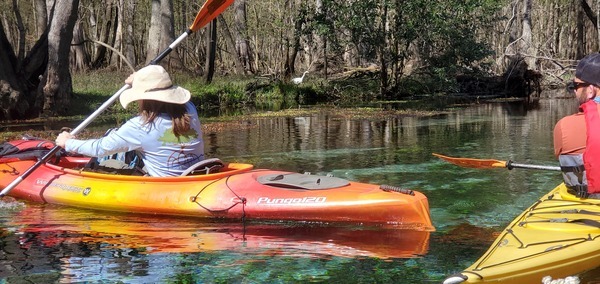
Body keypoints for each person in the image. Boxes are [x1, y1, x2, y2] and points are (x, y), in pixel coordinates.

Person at [56, 65, 205, 177]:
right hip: (194, 175)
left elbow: (99, 148)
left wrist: (68, 142)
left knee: (103, 162)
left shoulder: (140, 127)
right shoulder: (189, 109)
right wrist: (139, 79)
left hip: (165, 184)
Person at [553, 53, 600, 198]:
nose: (574, 90)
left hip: (586, 203)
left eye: (576, 85)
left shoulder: (564, 126)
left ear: (591, 90)